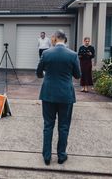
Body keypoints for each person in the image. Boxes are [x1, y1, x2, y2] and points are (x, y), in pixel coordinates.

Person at [36, 30, 81, 166]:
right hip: (65, 95)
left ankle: (47, 157)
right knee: (63, 126)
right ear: (65, 39)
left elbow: (38, 73)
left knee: (48, 125)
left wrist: (47, 76)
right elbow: (78, 75)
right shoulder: (73, 55)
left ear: (55, 39)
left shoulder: (46, 53)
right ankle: (61, 156)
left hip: (48, 94)